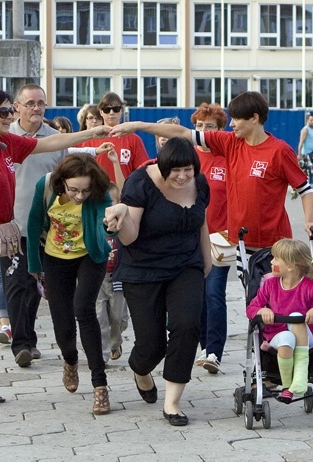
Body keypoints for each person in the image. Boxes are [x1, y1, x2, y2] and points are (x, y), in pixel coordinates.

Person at [0, 87, 110, 405]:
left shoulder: (7, 142)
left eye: (10, 111)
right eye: (4, 112)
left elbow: (47, 143)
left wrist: (90, 133)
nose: (10, 117)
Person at [109, 91, 313, 255]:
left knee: (275, 303)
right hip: (241, 242)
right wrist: (138, 125)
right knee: (253, 304)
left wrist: (309, 220)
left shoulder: (280, 151)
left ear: (254, 118)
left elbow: (305, 189)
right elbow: (183, 133)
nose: (231, 124)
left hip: (275, 243)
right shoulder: (230, 142)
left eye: (236, 119)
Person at [2, 84, 114, 368]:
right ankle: (22, 343)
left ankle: (35, 342)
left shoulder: (55, 139)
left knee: (42, 287)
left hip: (51, 228)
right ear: (17, 107)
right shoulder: (6, 137)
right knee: (18, 284)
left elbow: (71, 175)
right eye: (30, 103)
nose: (36, 108)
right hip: (13, 221)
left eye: (41, 103)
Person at [104, 137, 212, 426]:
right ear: (161, 166)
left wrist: (206, 259)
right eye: (175, 170)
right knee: (152, 346)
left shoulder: (200, 184)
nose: (182, 176)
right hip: (143, 269)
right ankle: (140, 369)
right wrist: (118, 221)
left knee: (187, 325)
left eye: (188, 169)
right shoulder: (140, 183)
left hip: (185, 265)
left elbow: (200, 222)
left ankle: (172, 402)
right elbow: (130, 236)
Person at [27, 153, 114, 415]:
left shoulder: (100, 191)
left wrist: (110, 227)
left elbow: (104, 222)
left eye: (84, 190)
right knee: (61, 320)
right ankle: (70, 360)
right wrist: (34, 265)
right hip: (55, 257)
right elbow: (33, 224)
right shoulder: (45, 186)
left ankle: (100, 385)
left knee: (83, 310)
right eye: (73, 189)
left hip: (90, 254)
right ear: (62, 182)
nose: (79, 196)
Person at [246, 238, 313, 403]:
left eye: (276, 258)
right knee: (286, 338)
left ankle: (298, 376)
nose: (271, 262)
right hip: (278, 336)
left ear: (290, 266)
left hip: (307, 336)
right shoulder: (269, 285)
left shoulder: (308, 287)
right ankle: (287, 386)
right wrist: (262, 310)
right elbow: (251, 309)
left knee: (295, 318)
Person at [189, 103, 230, 374]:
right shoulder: (186, 157)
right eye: (200, 126)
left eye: (210, 127)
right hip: (189, 237)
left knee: (214, 294)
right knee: (196, 296)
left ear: (220, 130)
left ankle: (213, 351)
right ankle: (203, 346)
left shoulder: (228, 157)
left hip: (219, 237)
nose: (204, 131)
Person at [77, 93, 149, 184]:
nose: (111, 113)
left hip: (124, 193)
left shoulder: (134, 139)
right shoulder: (90, 138)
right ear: (101, 112)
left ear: (121, 111)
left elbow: (142, 171)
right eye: (107, 110)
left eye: (116, 109)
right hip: (96, 193)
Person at [96, 182, 129, 363]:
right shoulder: (95, 225)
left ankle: (115, 341)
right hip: (98, 278)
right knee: (99, 317)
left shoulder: (123, 226)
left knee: (118, 318)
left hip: (117, 278)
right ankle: (102, 355)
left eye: (111, 205)